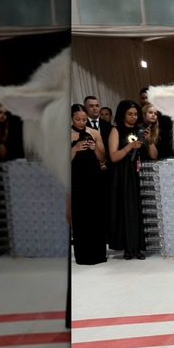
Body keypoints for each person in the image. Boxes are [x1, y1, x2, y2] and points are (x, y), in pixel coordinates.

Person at [108, 99, 157, 260]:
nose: (134, 117)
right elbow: (114, 157)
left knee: (139, 210)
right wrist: (130, 146)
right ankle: (128, 248)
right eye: (130, 114)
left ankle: (138, 247)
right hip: (123, 175)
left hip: (139, 174)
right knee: (126, 210)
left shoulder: (141, 130)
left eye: (136, 114)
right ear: (122, 114)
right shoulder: (116, 130)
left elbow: (153, 156)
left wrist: (149, 141)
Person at [70, 103, 107, 265]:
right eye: (78, 119)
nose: (81, 122)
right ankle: (83, 255)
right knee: (80, 216)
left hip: (94, 179)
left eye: (84, 119)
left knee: (96, 216)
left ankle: (99, 255)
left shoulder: (93, 132)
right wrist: (75, 148)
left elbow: (102, 158)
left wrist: (94, 148)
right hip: (77, 180)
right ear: (71, 118)